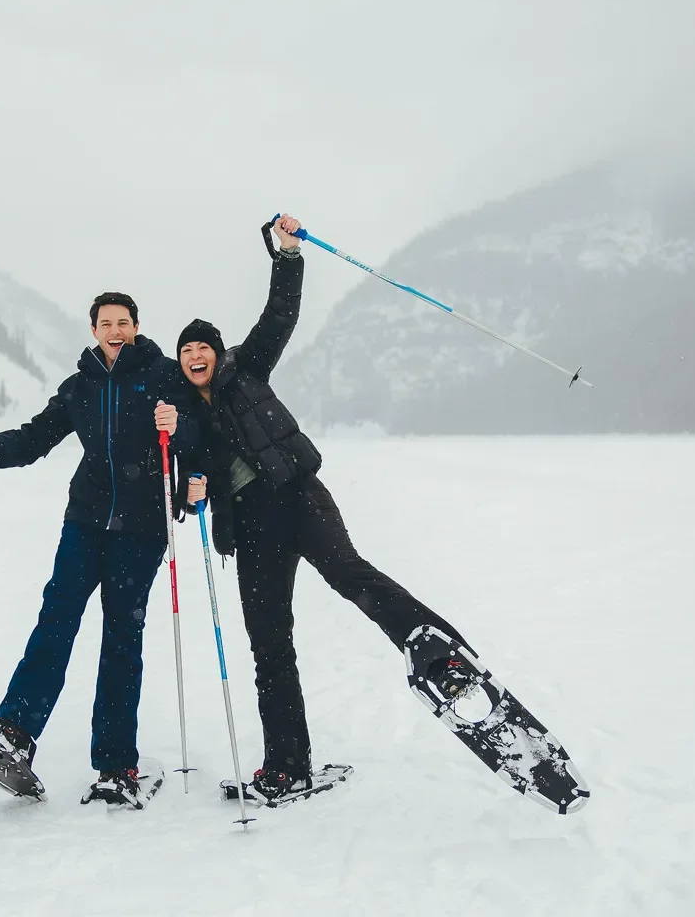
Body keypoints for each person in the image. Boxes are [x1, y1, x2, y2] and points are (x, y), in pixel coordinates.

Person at [176, 215, 476, 804]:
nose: (195, 356)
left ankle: (439, 651)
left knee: (349, 574)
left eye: (202, 346)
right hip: (250, 526)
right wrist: (187, 494)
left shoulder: (248, 369)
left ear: (217, 352)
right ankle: (286, 765)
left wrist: (286, 255)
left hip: (297, 497)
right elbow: (184, 480)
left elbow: (278, 316)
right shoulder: (183, 417)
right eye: (186, 350)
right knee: (268, 643)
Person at [0, 291, 197, 804]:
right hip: (86, 523)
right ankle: (15, 735)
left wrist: (179, 430)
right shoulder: (79, 388)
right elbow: (30, 441)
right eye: (106, 323)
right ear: (94, 330)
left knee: (122, 639)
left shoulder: (165, 376)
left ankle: (117, 765)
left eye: (124, 322)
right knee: (56, 619)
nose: (115, 330)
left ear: (137, 327)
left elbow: (196, 437)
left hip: (142, 529)